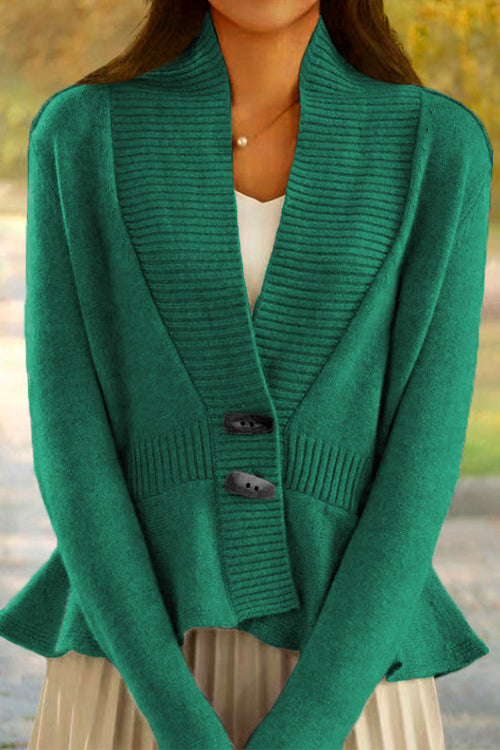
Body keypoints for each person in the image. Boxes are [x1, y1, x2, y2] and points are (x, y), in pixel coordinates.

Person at [0, 1, 492, 748]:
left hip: (351, 680)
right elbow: (72, 449)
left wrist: (311, 727)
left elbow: (420, 469)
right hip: (130, 675)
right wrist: (176, 720)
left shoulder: (437, 148)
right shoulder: (81, 136)